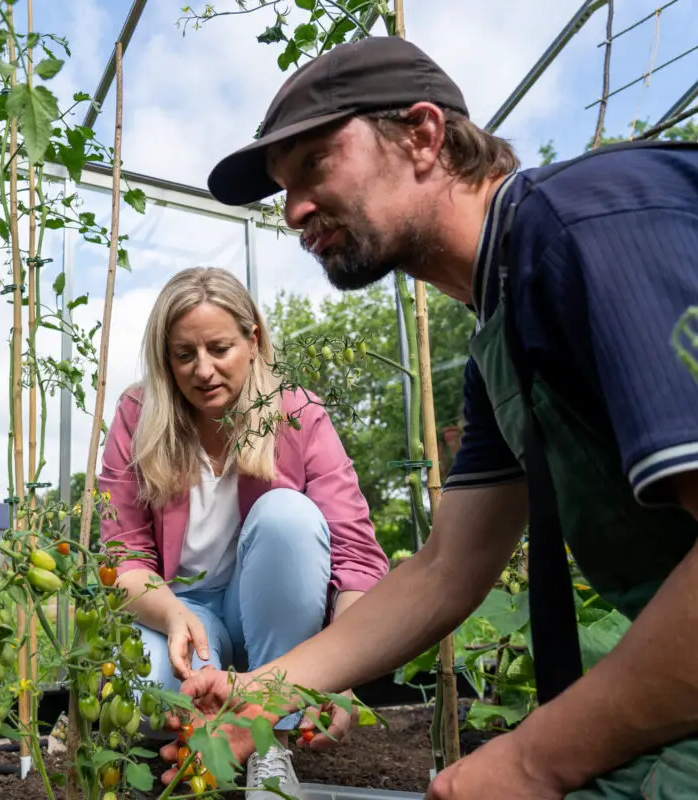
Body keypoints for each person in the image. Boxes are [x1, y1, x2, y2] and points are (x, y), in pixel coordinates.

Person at [174, 34, 698, 800]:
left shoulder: (587, 229)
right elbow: (446, 569)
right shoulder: (503, 331)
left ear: (422, 135)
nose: (292, 211)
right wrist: (265, 689)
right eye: (283, 189)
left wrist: (533, 759)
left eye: (315, 163)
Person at [97, 266, 390, 797]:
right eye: (184, 354)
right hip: (184, 612)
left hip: (272, 614)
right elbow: (125, 558)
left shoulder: (296, 413)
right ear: (166, 359)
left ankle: (270, 745)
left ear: (252, 341)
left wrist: (338, 672)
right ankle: (209, 741)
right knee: (144, 689)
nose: (203, 370)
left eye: (219, 349)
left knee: (288, 516)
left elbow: (356, 558)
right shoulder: (138, 416)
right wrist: (174, 615)